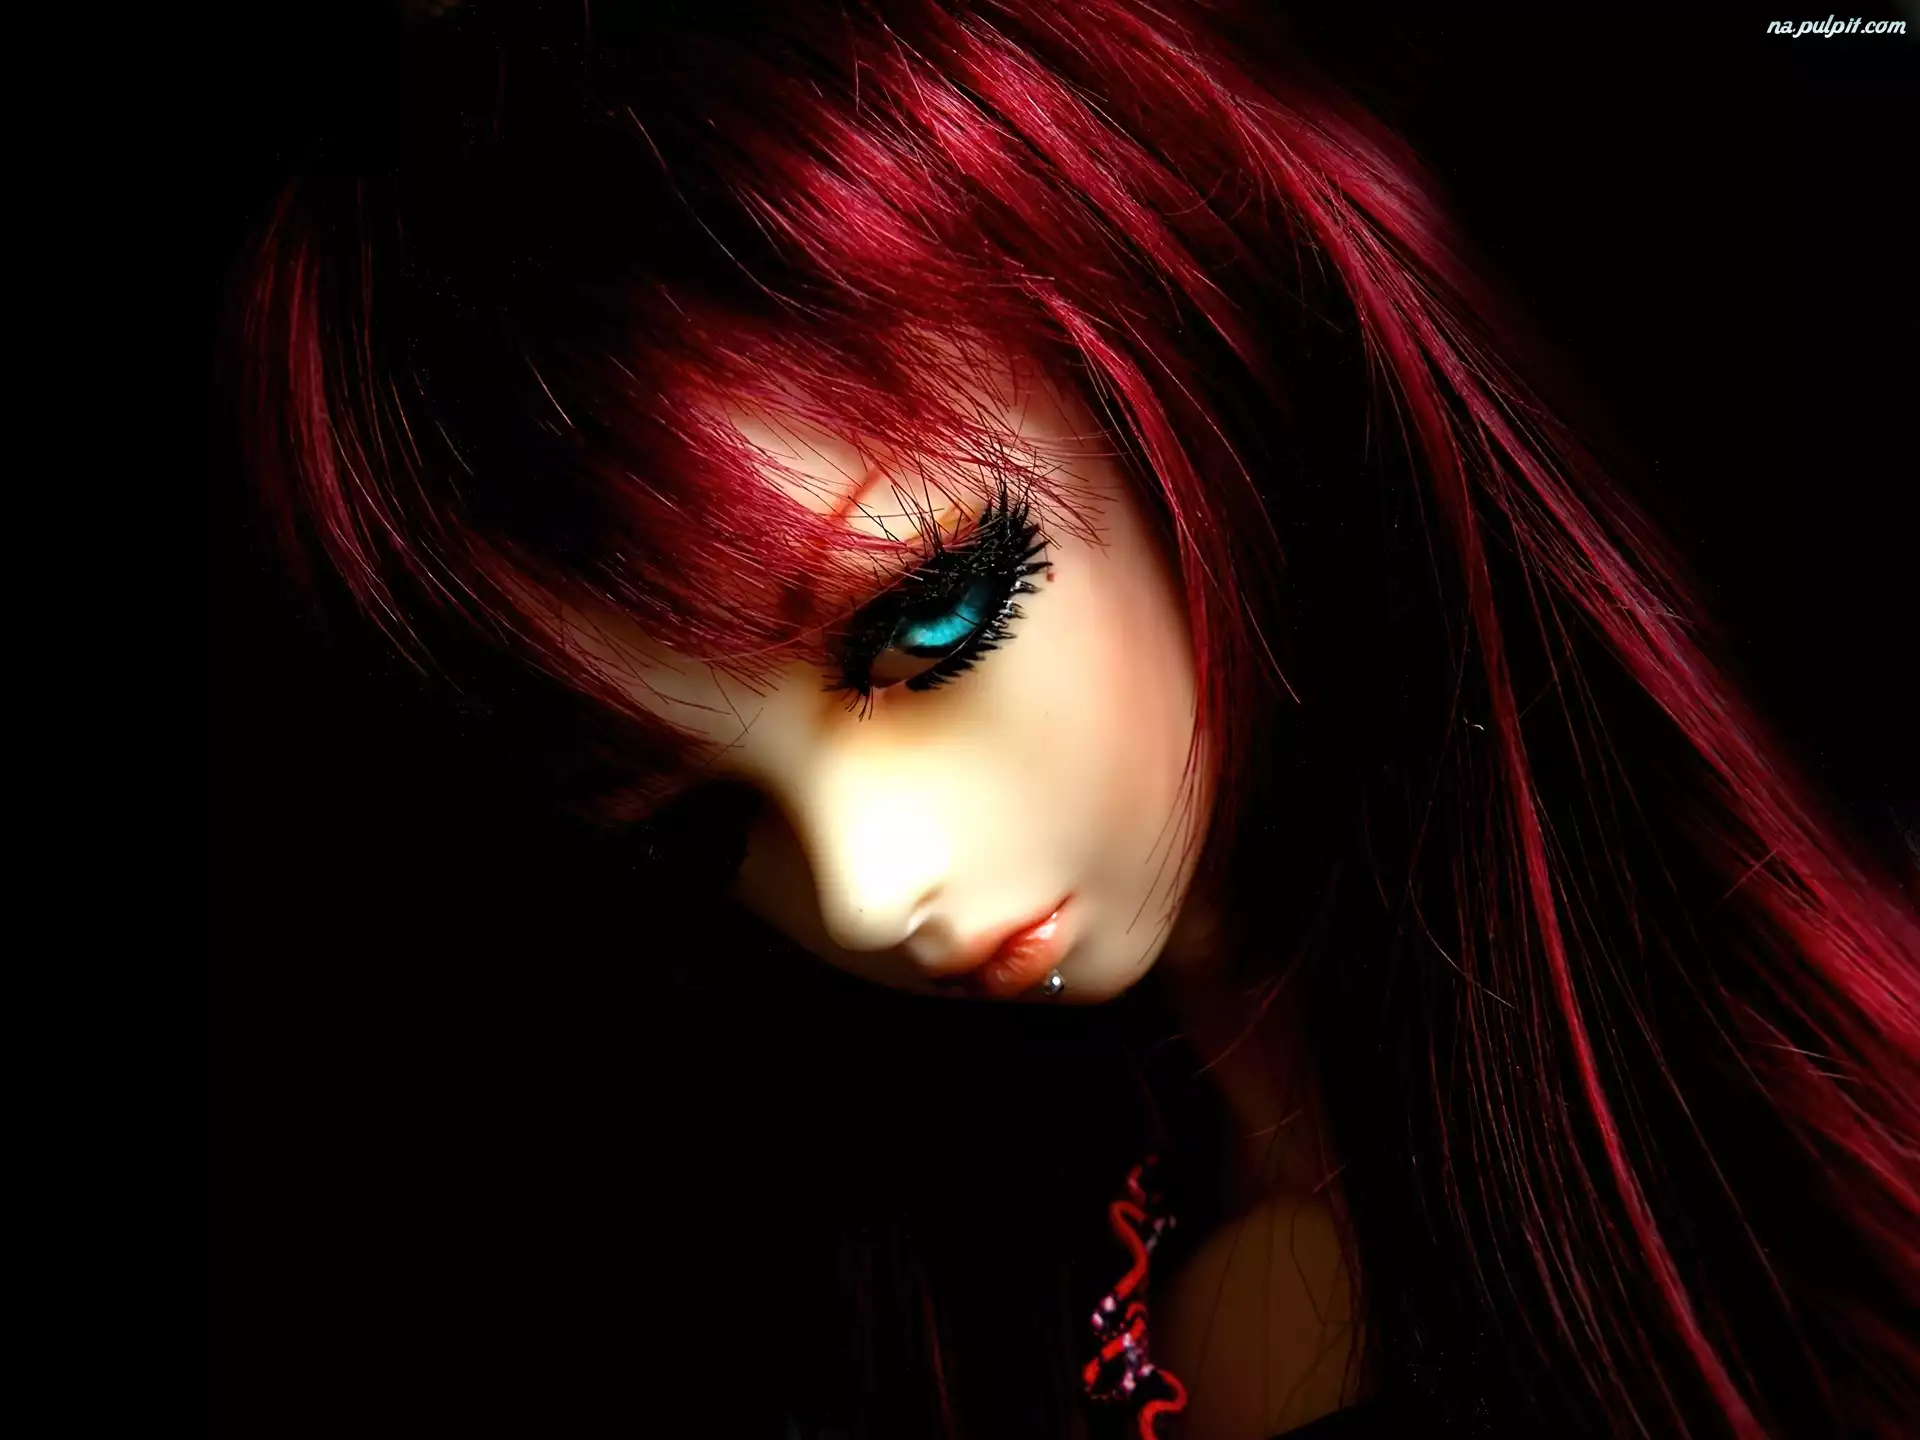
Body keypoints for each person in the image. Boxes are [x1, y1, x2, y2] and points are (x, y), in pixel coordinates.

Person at [226, 2, 1920, 1436]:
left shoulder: (1785, 1178)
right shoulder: (940, 1264)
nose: (866, 892)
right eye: (707, 818)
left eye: (926, 623)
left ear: (1177, 368)